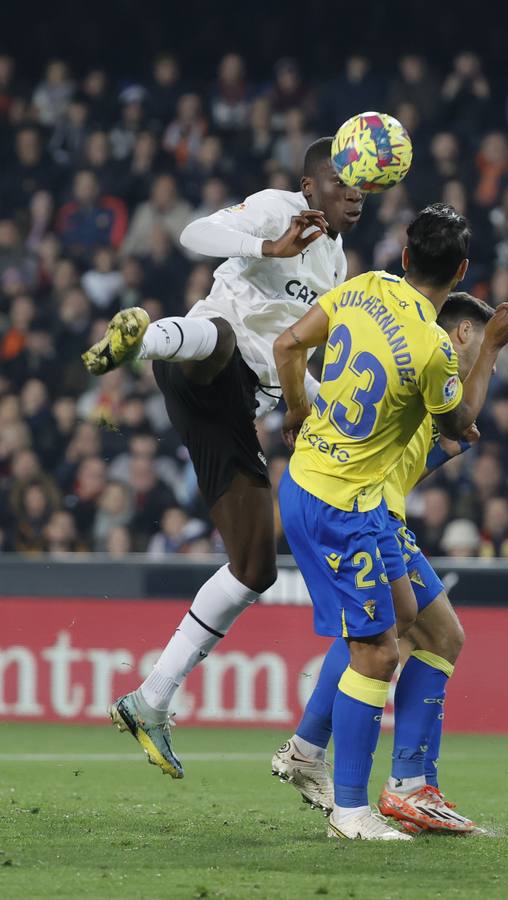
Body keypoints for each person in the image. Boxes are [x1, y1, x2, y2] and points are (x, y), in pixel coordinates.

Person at [81, 138, 363, 778]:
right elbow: (194, 233)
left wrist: (329, 408)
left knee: (256, 565)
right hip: (204, 358)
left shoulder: (338, 265)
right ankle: (144, 336)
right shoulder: (274, 208)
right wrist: (268, 245)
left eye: (363, 190)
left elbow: (295, 358)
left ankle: (149, 700)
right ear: (309, 186)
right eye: (343, 184)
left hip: (237, 408)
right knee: (224, 340)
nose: (355, 196)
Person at [273, 205, 508, 840]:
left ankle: (366, 771)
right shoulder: (433, 350)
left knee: (419, 626)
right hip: (351, 503)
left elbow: (289, 344)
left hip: (322, 482)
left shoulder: (360, 287)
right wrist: (487, 351)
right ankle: (356, 806)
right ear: (461, 269)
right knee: (380, 646)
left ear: (404, 256)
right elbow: (461, 420)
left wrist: (297, 414)